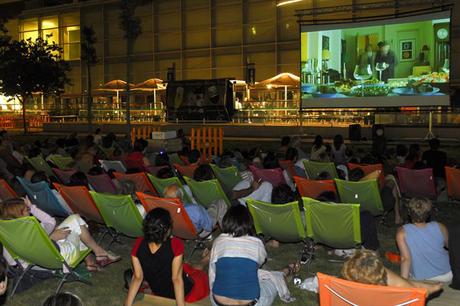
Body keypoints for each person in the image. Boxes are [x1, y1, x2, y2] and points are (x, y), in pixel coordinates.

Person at [0, 197, 120, 273]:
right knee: (76, 223)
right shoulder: (33, 229)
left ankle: (91, 260)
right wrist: (33, 208)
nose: (29, 212)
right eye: (26, 210)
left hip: (38, 263)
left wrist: (48, 239)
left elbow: (12, 262)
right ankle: (100, 254)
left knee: (71, 222)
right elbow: (50, 221)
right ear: (19, 214)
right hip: (60, 259)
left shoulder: (7, 235)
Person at [209, 205, 297, 306]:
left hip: (218, 303)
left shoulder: (218, 241)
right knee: (272, 280)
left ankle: (283, 272)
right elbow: (258, 263)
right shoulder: (257, 244)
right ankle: (284, 272)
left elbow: (213, 271)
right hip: (254, 304)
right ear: (249, 224)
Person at [125, 208, 210, 306]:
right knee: (199, 275)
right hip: (186, 293)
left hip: (159, 292)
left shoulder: (138, 244)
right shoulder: (176, 244)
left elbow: (137, 277)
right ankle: (206, 259)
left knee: (186, 267)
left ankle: (205, 259)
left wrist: (127, 304)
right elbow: (177, 279)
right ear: (167, 229)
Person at [396, 197, 452, 283]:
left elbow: (405, 259)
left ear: (409, 213)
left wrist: (403, 284)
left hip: (421, 277)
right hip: (447, 274)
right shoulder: (440, 226)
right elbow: (449, 246)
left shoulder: (402, 232)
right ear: (429, 213)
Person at [342, 250, 442, 296]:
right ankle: (423, 287)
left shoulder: (342, 287)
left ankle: (421, 286)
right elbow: (415, 296)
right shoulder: (385, 294)